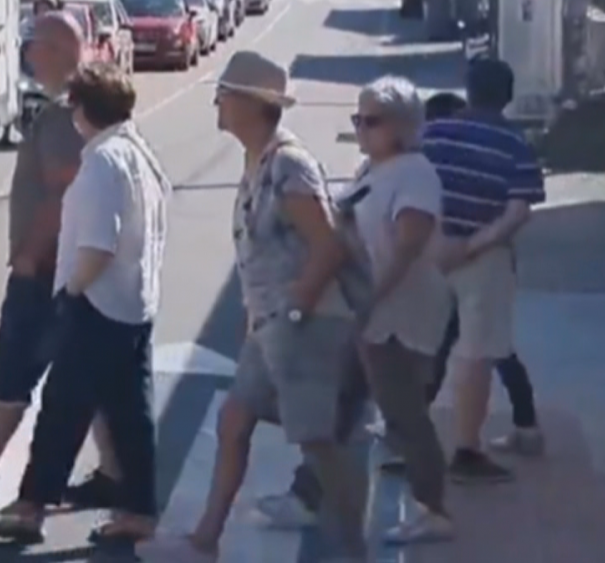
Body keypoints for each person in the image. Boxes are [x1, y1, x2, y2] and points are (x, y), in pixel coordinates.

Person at [158, 51, 368, 562]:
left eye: (224, 94)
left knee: (318, 442)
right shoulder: (259, 160)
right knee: (234, 420)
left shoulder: (289, 165)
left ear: (251, 104)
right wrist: (257, 321)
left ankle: (353, 550)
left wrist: (296, 308)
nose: (217, 104)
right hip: (270, 323)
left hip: (307, 323)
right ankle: (205, 539)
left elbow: (329, 245)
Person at [0, 12, 125, 508]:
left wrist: (29, 256)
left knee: (15, 367)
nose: (27, 53)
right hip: (72, 268)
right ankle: (111, 471)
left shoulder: (63, 114)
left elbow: (61, 190)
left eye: (34, 44)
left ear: (56, 50)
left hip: (49, 269)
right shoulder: (84, 107)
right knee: (81, 372)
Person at [0, 61, 169, 547]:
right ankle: (139, 510)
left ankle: (29, 507)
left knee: (61, 409)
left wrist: (72, 291)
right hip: (135, 304)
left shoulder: (101, 161)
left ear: (83, 109)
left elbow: (99, 244)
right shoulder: (140, 153)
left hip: (97, 306)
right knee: (129, 414)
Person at [341, 76, 454, 544]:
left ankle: (434, 509)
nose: (361, 129)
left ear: (403, 126)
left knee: (403, 412)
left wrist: (370, 300)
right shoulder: (371, 169)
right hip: (367, 309)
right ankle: (309, 492)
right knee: (341, 400)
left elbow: (409, 246)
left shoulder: (414, 172)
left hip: (399, 311)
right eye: (357, 119)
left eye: (371, 121)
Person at [422, 58, 546, 483]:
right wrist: (472, 246)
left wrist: (439, 241)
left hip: (429, 253)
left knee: (422, 346)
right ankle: (466, 451)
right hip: (486, 260)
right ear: (507, 97)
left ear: (469, 90)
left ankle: (408, 439)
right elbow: (517, 213)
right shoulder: (517, 145)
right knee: (477, 356)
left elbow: (414, 189)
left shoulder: (433, 132)